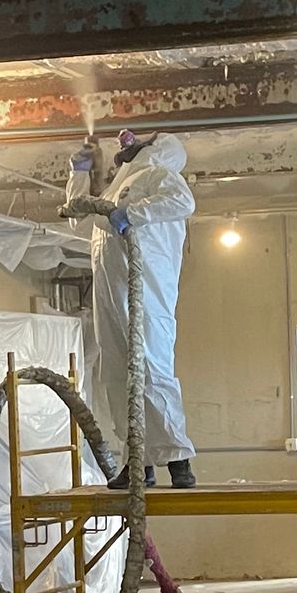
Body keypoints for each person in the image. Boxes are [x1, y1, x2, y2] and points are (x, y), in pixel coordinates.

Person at [63, 130, 198, 487]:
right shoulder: (115, 189)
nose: (127, 144)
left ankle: (177, 458)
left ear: (158, 148)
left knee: (151, 367)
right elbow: (80, 218)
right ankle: (137, 460)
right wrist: (79, 173)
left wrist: (131, 213)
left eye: (140, 141)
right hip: (111, 290)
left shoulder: (158, 173)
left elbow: (182, 202)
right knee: (116, 373)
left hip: (146, 290)